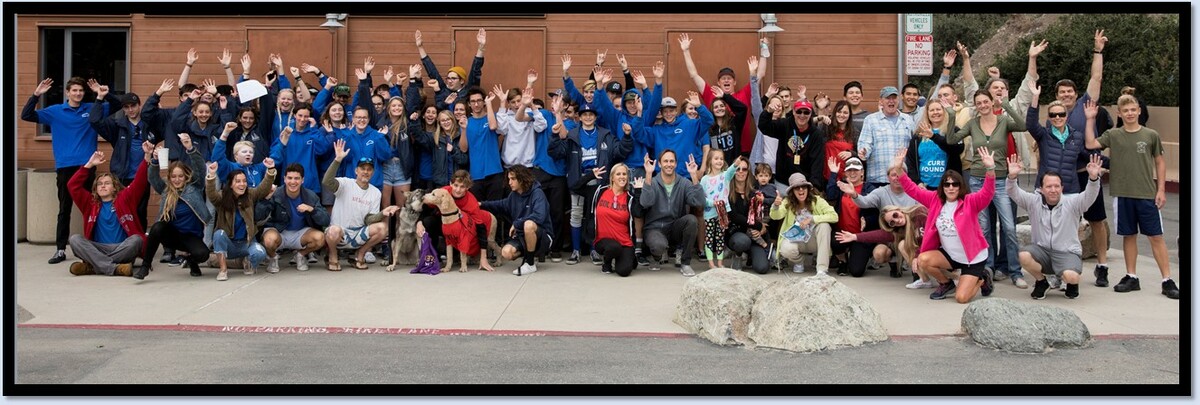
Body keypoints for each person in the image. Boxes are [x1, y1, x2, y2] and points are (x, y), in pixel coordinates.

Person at [1083, 98, 1178, 299]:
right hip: (1122, 193)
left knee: (1156, 236)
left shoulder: (1150, 135)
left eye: (1133, 109)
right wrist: (1090, 119)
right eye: (1125, 110)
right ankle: (1131, 276)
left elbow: (1160, 163)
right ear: (1119, 113)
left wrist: (1160, 190)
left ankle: (1167, 280)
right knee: (1129, 235)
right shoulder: (1114, 135)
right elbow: (1090, 143)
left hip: (1146, 194)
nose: (1130, 113)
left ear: (1139, 111)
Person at [22, 76, 122, 265]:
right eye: (74, 90)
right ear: (67, 93)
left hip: (87, 165)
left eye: (81, 90)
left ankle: (93, 246)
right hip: (65, 166)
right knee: (64, 208)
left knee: (93, 207)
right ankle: (60, 250)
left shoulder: (92, 108)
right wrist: (36, 95)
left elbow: (117, 105)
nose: (78, 93)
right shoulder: (55, 111)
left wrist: (102, 93)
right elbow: (26, 115)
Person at [1043, 31, 1114, 283]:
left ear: (1076, 93)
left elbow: (1096, 77)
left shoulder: (1087, 105)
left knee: (1096, 221)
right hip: (1065, 181)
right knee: (1066, 226)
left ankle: (1102, 265)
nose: (1066, 95)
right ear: (1057, 96)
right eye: (1062, 92)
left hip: (1087, 175)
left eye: (1069, 91)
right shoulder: (1053, 116)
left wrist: (1098, 50)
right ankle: (1063, 267)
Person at [944, 90, 1028, 288]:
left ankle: (1015, 272)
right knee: (984, 227)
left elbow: (1023, 126)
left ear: (991, 102)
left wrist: (1006, 104)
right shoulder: (973, 124)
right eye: (978, 103)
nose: (982, 105)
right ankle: (988, 266)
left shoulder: (1003, 121)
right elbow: (951, 139)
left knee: (1008, 227)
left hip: (1000, 180)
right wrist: (951, 114)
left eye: (985, 101)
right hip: (978, 180)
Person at [902, 146, 999, 303]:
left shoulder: (970, 202)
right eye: (947, 184)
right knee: (923, 259)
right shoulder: (935, 199)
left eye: (955, 184)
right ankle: (946, 283)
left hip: (972, 258)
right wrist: (899, 170)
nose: (951, 187)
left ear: (960, 186)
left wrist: (990, 169)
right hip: (950, 255)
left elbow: (987, 193)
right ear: (943, 187)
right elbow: (912, 189)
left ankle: (982, 278)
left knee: (961, 298)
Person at [1008, 154, 1103, 300]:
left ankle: (1070, 284)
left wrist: (1093, 179)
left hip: (1067, 252)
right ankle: (1042, 282)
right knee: (1024, 255)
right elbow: (1014, 193)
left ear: (1062, 188)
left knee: (1071, 277)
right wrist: (1012, 177)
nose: (1053, 190)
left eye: (1057, 186)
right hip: (1042, 251)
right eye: (1049, 186)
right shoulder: (1033, 202)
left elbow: (1089, 196)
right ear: (1041, 189)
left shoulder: (1073, 203)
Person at [550, 102, 631, 265]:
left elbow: (620, 151)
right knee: (576, 215)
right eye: (584, 115)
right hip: (578, 181)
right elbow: (556, 152)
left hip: (598, 182)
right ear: (579, 117)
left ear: (595, 117)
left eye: (591, 115)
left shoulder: (605, 134)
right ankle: (576, 251)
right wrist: (554, 136)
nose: (588, 117)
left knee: (595, 216)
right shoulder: (572, 135)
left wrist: (627, 136)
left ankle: (594, 250)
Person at [64, 145, 150, 277]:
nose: (103, 186)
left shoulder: (125, 198)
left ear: (115, 187)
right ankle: (114, 268)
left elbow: (140, 181)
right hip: (98, 247)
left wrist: (147, 157)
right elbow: (72, 185)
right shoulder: (90, 203)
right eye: (99, 184)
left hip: (122, 248)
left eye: (107, 183)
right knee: (75, 239)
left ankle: (94, 266)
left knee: (137, 240)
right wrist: (89, 164)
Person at [677, 33, 769, 155]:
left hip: (742, 149)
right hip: (717, 152)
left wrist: (764, 48)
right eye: (723, 78)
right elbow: (694, 75)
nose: (726, 80)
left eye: (729, 78)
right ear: (718, 82)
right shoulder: (711, 94)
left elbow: (760, 74)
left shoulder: (745, 94)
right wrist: (686, 51)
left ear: (734, 82)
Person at [139, 134, 211, 279]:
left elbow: (200, 169)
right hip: (173, 235)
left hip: (191, 237)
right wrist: (154, 160)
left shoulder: (194, 187)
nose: (177, 180)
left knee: (203, 254)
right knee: (157, 227)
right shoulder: (166, 190)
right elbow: (152, 178)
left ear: (185, 177)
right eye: (173, 177)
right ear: (170, 178)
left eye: (180, 176)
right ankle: (145, 266)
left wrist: (190, 148)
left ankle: (191, 261)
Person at [322, 139, 399, 271]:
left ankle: (360, 254)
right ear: (356, 170)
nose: (366, 172)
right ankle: (333, 256)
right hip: (340, 233)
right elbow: (327, 181)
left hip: (359, 235)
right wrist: (338, 160)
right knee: (333, 230)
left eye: (369, 169)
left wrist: (383, 213)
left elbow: (369, 219)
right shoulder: (345, 183)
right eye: (362, 169)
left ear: (373, 173)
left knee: (382, 228)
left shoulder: (375, 192)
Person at [89, 89, 153, 230]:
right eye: (126, 107)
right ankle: (122, 243)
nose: (130, 110)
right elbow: (94, 121)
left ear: (139, 105)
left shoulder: (149, 125)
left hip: (142, 176)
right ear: (123, 109)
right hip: (121, 176)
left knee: (140, 211)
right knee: (121, 210)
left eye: (133, 106)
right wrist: (100, 98)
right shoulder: (116, 125)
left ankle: (140, 245)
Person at [206, 156, 277, 281]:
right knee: (218, 234)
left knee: (260, 253)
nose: (242, 184)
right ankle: (223, 269)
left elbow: (263, 189)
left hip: (247, 242)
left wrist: (270, 170)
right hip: (230, 244)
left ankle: (242, 262)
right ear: (231, 184)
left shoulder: (250, 194)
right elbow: (211, 195)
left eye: (244, 181)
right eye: (238, 181)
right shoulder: (222, 197)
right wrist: (211, 176)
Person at [639, 150, 705, 277]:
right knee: (658, 245)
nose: (668, 164)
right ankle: (658, 256)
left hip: (674, 227)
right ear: (659, 164)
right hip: (655, 228)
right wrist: (648, 173)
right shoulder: (652, 181)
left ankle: (685, 263)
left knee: (691, 220)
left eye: (671, 161)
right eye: (665, 161)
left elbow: (699, 202)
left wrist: (694, 175)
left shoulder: (684, 182)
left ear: (675, 164)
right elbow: (645, 203)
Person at [480, 165, 553, 276]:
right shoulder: (513, 196)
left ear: (522, 178)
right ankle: (529, 254)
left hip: (542, 237)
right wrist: (481, 204)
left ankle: (530, 263)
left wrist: (517, 223)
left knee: (528, 225)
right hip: (522, 235)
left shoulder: (537, 193)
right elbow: (500, 204)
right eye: (509, 179)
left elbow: (539, 216)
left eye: (513, 179)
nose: (510, 182)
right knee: (506, 253)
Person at [262, 164, 330, 273]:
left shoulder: (310, 196)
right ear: (284, 179)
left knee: (320, 238)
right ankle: (273, 258)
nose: (293, 182)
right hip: (279, 231)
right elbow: (259, 216)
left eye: (297, 178)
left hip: (300, 233)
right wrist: (266, 199)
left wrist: (311, 209)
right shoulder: (276, 193)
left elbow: (325, 220)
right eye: (289, 178)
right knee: (269, 240)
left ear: (302, 180)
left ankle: (301, 255)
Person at [826, 157, 886, 277]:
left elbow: (877, 212)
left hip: (860, 235)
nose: (852, 173)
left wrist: (867, 221)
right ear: (845, 172)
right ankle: (842, 260)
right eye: (849, 170)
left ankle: (861, 255)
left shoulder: (869, 189)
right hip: (842, 231)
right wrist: (833, 174)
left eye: (856, 170)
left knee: (856, 271)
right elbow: (830, 195)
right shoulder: (842, 186)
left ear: (862, 172)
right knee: (834, 241)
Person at [769, 172, 837, 275]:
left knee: (824, 226)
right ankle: (799, 262)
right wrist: (775, 206)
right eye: (797, 188)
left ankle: (822, 269)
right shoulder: (787, 202)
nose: (801, 190)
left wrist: (812, 219)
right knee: (785, 249)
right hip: (797, 240)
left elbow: (834, 216)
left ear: (808, 189)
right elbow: (776, 216)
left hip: (814, 240)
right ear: (792, 191)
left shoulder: (817, 200)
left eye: (803, 187)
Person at [758, 99, 826, 192]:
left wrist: (814, 185)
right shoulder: (785, 124)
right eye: (799, 111)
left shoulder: (816, 134)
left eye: (806, 112)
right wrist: (768, 112)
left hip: (804, 184)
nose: (802, 115)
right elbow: (764, 127)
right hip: (783, 182)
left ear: (810, 114)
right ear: (794, 112)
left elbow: (817, 161)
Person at [857, 86, 916, 189]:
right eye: (888, 98)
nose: (891, 101)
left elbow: (914, 147)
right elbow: (865, 143)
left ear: (898, 100)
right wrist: (864, 151)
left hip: (903, 178)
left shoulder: (908, 120)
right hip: (878, 179)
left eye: (894, 98)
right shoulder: (871, 120)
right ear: (881, 101)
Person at [416, 29, 486, 111]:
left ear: (462, 81)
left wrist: (481, 46)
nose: (449, 81)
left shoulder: (468, 91)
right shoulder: (443, 90)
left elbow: (475, 70)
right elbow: (431, 70)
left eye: (453, 78)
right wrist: (420, 47)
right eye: (448, 78)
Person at [270, 104, 331, 196]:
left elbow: (322, 150)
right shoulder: (286, 132)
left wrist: (313, 129)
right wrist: (282, 142)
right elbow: (275, 155)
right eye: (300, 115)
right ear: (295, 115)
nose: (302, 119)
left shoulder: (313, 132)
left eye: (306, 116)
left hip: (310, 183)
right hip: (289, 182)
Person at [697, 152, 744, 269]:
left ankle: (719, 262)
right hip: (709, 213)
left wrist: (735, 164)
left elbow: (731, 171)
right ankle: (711, 263)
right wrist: (711, 203)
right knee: (709, 237)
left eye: (721, 159)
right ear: (710, 161)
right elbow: (701, 197)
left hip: (722, 213)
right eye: (716, 158)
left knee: (720, 237)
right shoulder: (704, 179)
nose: (719, 161)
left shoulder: (725, 176)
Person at [592, 163, 640, 277]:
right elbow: (576, 187)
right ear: (612, 177)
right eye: (618, 174)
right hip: (603, 241)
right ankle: (607, 264)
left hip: (624, 241)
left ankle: (628, 257)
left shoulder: (630, 197)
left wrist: (638, 192)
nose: (622, 176)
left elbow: (638, 213)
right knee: (613, 247)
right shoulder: (600, 191)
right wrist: (591, 176)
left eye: (624, 174)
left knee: (624, 271)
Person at [724, 158, 771, 274]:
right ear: (732, 171)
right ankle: (738, 255)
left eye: (744, 169)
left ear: (748, 172)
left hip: (754, 235)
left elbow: (762, 213)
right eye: (737, 169)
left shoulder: (755, 193)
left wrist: (763, 229)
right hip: (736, 233)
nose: (741, 172)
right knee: (743, 241)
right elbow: (735, 217)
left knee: (762, 268)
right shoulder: (727, 193)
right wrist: (758, 225)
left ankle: (750, 255)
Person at [907, 97, 963, 190]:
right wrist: (917, 182)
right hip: (924, 187)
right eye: (932, 110)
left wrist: (934, 137)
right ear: (927, 113)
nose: (935, 112)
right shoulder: (919, 134)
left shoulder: (954, 130)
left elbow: (957, 150)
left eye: (938, 109)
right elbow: (910, 161)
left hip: (948, 187)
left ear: (944, 111)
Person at [820, 100, 860, 180]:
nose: (842, 115)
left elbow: (862, 155)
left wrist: (851, 153)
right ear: (835, 113)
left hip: (846, 177)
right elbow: (811, 129)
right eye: (839, 112)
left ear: (849, 115)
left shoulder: (855, 132)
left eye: (845, 112)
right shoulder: (826, 128)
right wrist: (820, 113)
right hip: (826, 177)